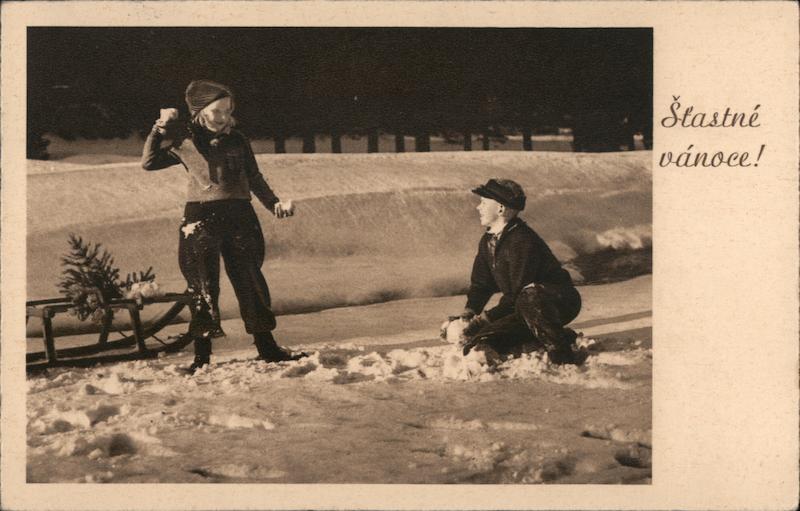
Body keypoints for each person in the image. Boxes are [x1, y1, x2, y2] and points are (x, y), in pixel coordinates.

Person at [142, 79, 305, 373]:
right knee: (203, 284)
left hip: (240, 214)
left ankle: (267, 348)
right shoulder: (186, 140)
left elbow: (254, 177)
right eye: (217, 111)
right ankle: (201, 356)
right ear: (201, 111)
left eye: (227, 111)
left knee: (250, 280)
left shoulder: (237, 139)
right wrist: (159, 128)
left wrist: (274, 204)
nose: (223, 117)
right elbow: (150, 162)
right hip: (200, 218)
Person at [449, 178, 586, 365]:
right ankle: (556, 336)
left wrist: (483, 320)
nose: (478, 207)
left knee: (529, 297)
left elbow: (518, 294)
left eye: (483, 203)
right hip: (523, 308)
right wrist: (468, 314)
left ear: (500, 209)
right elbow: (481, 284)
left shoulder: (522, 241)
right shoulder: (488, 241)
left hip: (556, 302)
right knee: (479, 342)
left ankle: (562, 356)